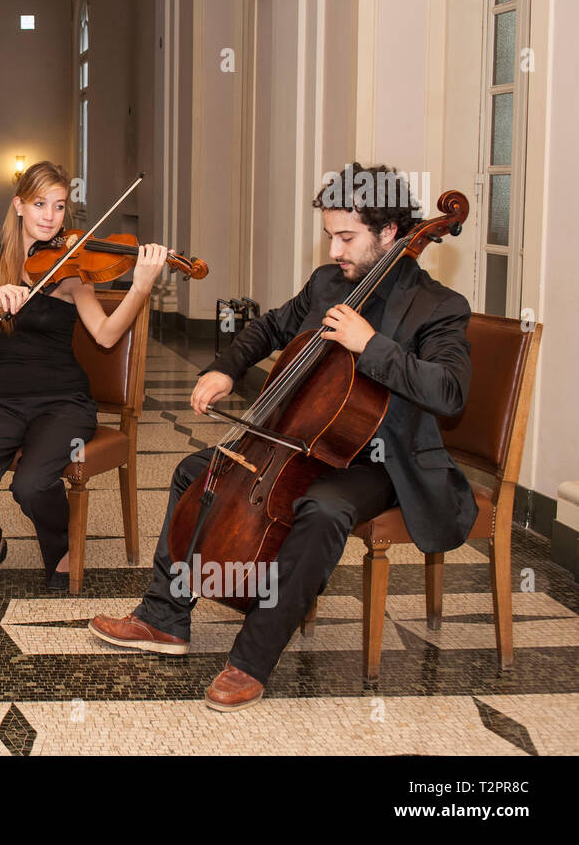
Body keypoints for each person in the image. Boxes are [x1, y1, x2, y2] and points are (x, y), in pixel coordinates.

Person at [90, 163, 476, 711]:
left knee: (323, 508)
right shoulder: (327, 283)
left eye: (347, 237)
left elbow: (450, 393)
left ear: (390, 232)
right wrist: (226, 368)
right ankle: (164, 616)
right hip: (302, 440)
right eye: (330, 236)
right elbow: (271, 325)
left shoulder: (439, 307)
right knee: (195, 471)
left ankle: (251, 661)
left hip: (381, 458)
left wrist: (370, 345)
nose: (336, 250)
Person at [0, 161, 168, 592]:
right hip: (5, 399)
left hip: (64, 402)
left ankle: (60, 549)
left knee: (32, 485)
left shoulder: (72, 270)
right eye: (40, 204)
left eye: (59, 206)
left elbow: (107, 335)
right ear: (19, 205)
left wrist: (140, 287)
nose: (50, 216)